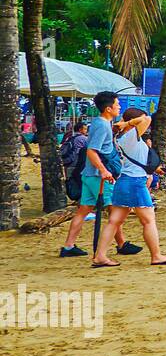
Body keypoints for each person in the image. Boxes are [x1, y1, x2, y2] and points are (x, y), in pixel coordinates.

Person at [91, 108, 166, 267]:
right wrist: (129, 122)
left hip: (124, 181)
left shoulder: (121, 136)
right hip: (135, 182)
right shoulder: (130, 135)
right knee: (148, 220)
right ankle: (156, 255)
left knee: (114, 221)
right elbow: (148, 119)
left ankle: (100, 256)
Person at [59, 92, 139, 260]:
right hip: (98, 176)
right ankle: (121, 244)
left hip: (89, 174)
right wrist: (103, 170)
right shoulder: (102, 125)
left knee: (83, 210)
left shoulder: (100, 122)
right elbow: (92, 150)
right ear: (108, 108)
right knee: (114, 209)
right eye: (117, 104)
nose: (119, 107)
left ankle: (68, 246)